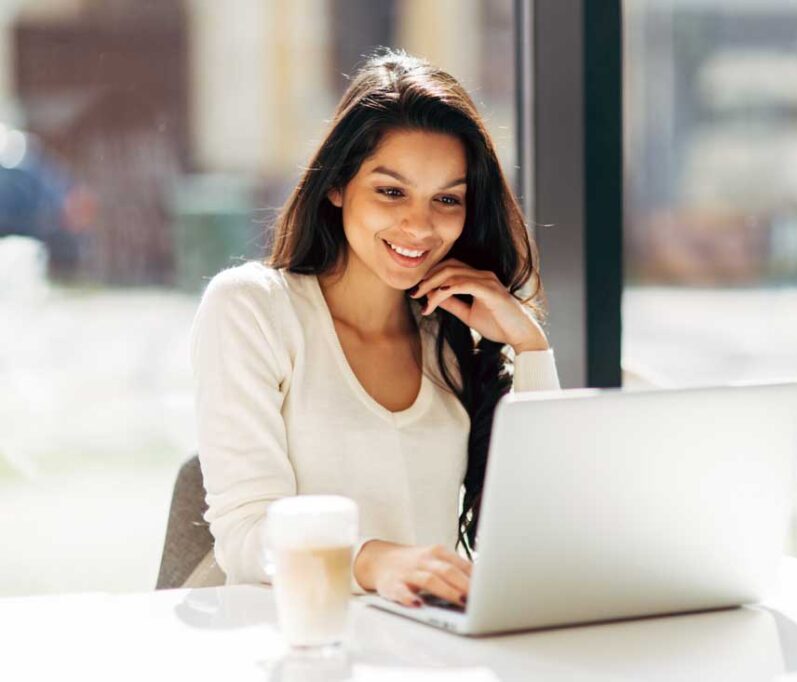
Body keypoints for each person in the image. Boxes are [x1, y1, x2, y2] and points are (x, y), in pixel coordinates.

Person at [189, 48, 560, 608]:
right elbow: (244, 537)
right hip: (294, 639)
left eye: (447, 199)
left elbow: (539, 528)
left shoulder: (451, 340)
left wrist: (527, 343)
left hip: (427, 644)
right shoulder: (253, 309)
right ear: (337, 186)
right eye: (391, 191)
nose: (420, 224)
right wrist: (377, 560)